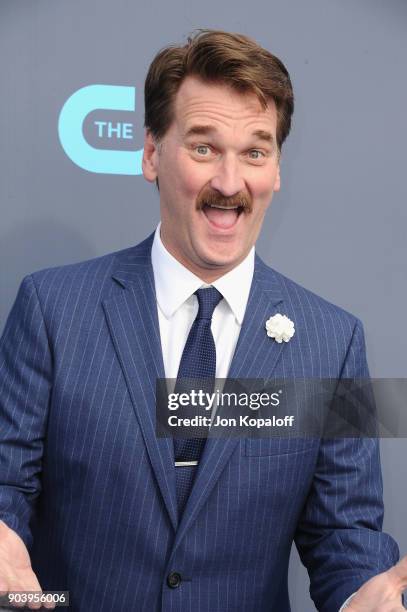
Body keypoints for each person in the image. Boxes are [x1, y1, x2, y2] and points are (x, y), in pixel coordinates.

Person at [0, 29, 405, 612]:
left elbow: (343, 534)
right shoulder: (52, 310)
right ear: (150, 154)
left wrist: (359, 597)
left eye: (255, 152)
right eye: (204, 147)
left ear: (277, 171)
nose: (230, 182)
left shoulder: (332, 342)